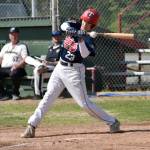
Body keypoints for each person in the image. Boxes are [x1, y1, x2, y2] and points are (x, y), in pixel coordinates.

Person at [21, 8, 120, 138]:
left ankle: (112, 122)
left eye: (89, 23)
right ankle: (31, 125)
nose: (85, 24)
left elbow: (84, 54)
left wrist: (81, 39)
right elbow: (63, 26)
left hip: (74, 71)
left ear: (92, 25)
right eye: (84, 20)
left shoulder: (89, 39)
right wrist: (75, 31)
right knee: (48, 96)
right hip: (59, 68)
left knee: (84, 104)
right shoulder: (75, 25)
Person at [0, 27, 28, 100]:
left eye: (15, 34)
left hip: (18, 68)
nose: (14, 36)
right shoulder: (6, 46)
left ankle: (15, 93)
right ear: (9, 36)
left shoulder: (22, 46)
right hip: (4, 68)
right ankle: (3, 94)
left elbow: (25, 59)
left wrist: (17, 65)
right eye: (12, 34)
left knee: (14, 73)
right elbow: (0, 58)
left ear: (18, 35)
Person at [33, 31, 62, 99]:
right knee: (37, 69)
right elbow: (47, 60)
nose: (56, 38)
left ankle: (38, 94)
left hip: (56, 69)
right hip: (47, 67)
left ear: (60, 37)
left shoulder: (62, 48)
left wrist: (50, 63)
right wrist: (43, 62)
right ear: (52, 38)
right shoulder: (50, 48)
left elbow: (62, 62)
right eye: (54, 37)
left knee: (38, 71)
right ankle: (38, 93)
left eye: (58, 36)